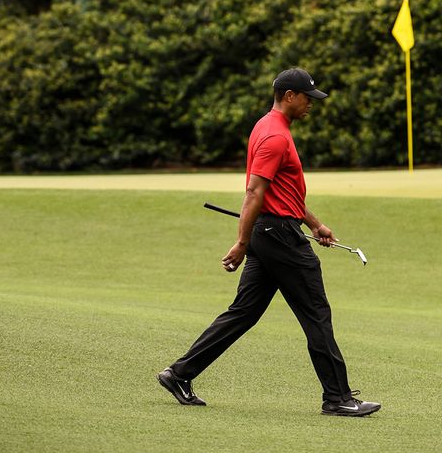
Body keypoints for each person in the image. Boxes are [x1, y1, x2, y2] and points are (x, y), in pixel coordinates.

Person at [157, 67, 381, 417]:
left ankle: (179, 373)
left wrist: (315, 223)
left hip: (272, 232)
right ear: (289, 96)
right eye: (308, 97)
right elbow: (254, 192)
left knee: (243, 313)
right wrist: (242, 243)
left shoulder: (267, 127)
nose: (311, 104)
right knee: (316, 314)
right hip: (278, 236)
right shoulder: (275, 137)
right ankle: (337, 398)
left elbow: (282, 191)